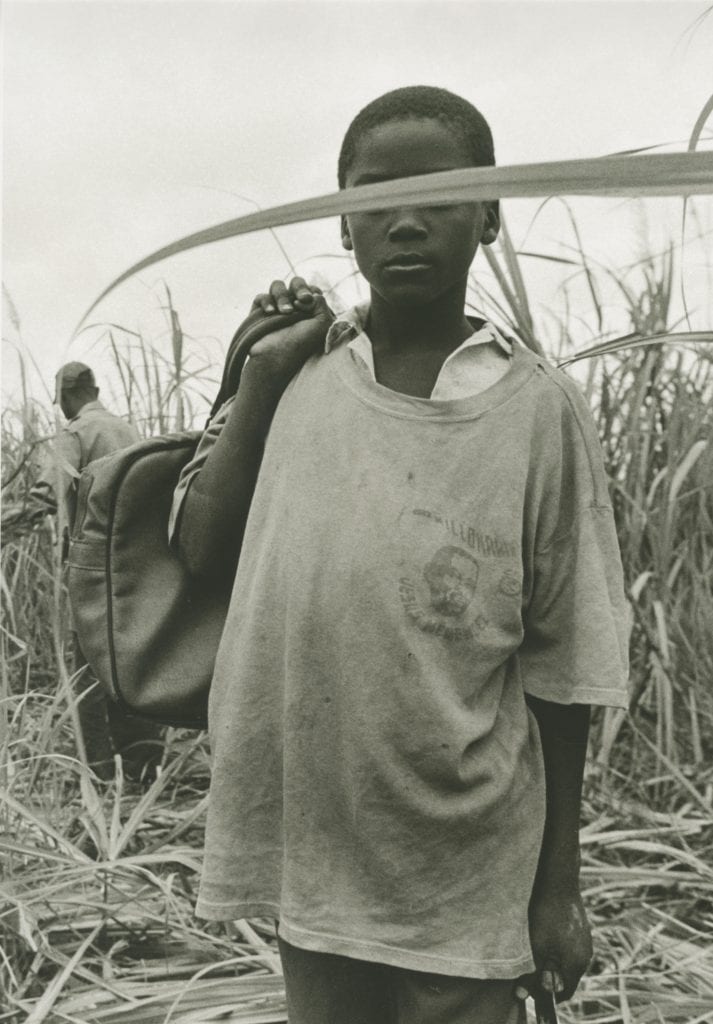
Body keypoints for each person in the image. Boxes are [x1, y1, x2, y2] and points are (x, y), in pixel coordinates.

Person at [170, 86, 630, 1023]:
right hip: (313, 854)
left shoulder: (534, 411)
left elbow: (567, 667)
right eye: (375, 197)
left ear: (489, 215)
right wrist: (254, 375)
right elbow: (199, 549)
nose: (406, 220)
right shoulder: (296, 376)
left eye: (441, 193)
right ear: (341, 224)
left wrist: (557, 890)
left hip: (461, 865)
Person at [34, 362, 164, 782]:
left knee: (86, 673)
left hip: (93, 571)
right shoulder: (129, 431)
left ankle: (98, 773)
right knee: (130, 666)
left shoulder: (75, 433)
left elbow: (45, 494)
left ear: (68, 397)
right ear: (96, 388)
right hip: (137, 568)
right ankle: (144, 769)